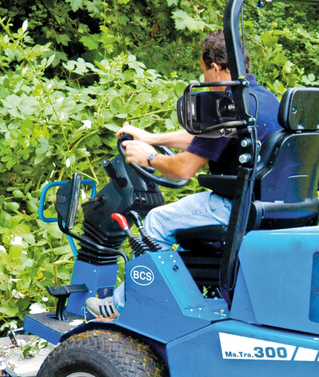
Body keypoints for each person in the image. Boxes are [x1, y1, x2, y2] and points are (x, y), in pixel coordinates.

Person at [85, 30, 280, 318]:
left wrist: (149, 158)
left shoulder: (228, 104)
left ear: (214, 67)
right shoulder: (261, 98)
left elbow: (184, 169)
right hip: (269, 206)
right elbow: (202, 140)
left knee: (156, 221)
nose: (203, 78)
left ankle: (124, 308)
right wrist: (152, 137)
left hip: (237, 207)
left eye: (203, 71)